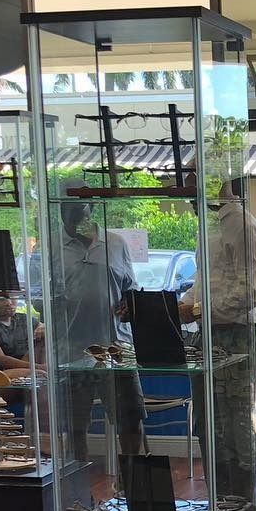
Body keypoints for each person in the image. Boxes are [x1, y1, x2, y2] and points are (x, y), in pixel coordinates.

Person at [178, 176, 256, 511]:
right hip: (208, 335)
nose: (184, 183)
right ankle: (221, 504)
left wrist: (196, 309)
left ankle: (242, 510)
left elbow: (251, 291)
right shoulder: (212, 225)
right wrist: (181, 305)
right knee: (207, 425)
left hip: (238, 335)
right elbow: (206, 282)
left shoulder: (245, 226)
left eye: (192, 175)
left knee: (233, 426)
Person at [58, 182, 145, 462]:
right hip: (72, 351)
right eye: (66, 213)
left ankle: (131, 482)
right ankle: (77, 487)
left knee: (129, 420)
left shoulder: (116, 243)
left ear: (92, 209)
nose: (72, 219)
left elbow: (131, 288)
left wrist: (130, 304)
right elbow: (39, 298)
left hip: (116, 348)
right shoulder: (51, 247)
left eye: (78, 212)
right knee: (74, 427)